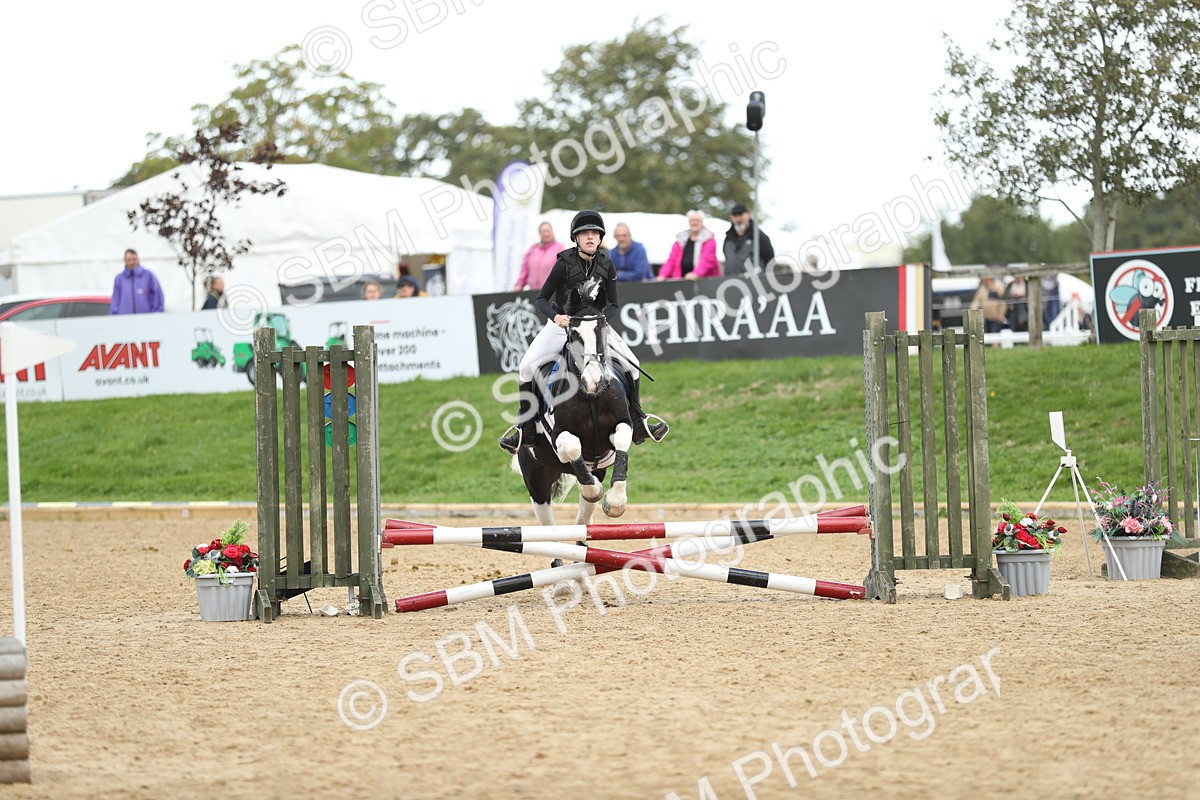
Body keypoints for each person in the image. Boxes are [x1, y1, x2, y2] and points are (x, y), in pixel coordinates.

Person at [498, 209, 669, 454]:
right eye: (585, 233)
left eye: (594, 233)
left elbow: (613, 305)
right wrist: (556, 317)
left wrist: (599, 321)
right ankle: (525, 428)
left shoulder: (607, 264)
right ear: (576, 238)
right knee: (526, 367)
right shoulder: (563, 263)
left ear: (600, 238)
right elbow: (541, 299)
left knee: (633, 364)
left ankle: (638, 421)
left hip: (594, 328)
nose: (590, 237)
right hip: (562, 326)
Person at [656, 209, 721, 280]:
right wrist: (663, 275)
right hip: (682, 280)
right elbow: (671, 260)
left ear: (702, 222)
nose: (694, 223)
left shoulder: (709, 240)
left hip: (703, 280)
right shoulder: (680, 240)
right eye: (692, 220)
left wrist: (696, 274)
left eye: (697, 220)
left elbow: (707, 260)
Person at [722, 203, 775, 276]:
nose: (738, 219)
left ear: (748, 215)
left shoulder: (759, 237)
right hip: (730, 280)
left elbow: (770, 260)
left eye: (740, 215)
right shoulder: (728, 239)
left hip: (753, 281)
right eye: (735, 215)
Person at [512, 222, 564, 291]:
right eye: (543, 232)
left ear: (552, 232)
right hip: (533, 292)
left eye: (547, 231)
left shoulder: (559, 248)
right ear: (539, 233)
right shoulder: (533, 249)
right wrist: (519, 284)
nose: (546, 234)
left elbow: (563, 270)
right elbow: (525, 270)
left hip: (552, 292)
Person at [110, 249, 164, 314]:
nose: (131, 262)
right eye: (129, 260)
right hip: (124, 318)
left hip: (146, 318)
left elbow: (157, 296)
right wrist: (114, 316)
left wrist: (155, 314)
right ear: (125, 260)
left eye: (134, 259)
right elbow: (115, 300)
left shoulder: (148, 275)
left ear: (138, 259)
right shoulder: (119, 279)